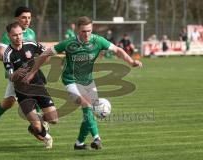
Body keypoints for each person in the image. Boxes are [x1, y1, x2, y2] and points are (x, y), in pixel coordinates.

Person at [23, 16, 143, 150]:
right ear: (77, 31)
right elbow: (45, 54)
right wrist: (32, 72)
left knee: (90, 112)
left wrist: (131, 62)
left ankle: (79, 143)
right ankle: (97, 138)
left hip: (88, 81)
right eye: (83, 31)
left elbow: (118, 50)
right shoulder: (69, 43)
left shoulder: (98, 41)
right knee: (86, 104)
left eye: (89, 31)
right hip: (70, 81)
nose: (86, 34)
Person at [0, 6, 39, 144]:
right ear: (17, 18)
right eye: (24, 17)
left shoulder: (31, 33)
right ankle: (37, 127)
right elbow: (0, 54)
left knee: (8, 102)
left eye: (29, 17)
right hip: (16, 75)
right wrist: (15, 62)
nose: (27, 20)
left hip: (28, 74)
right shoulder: (9, 35)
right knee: (34, 95)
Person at [3, 22, 58, 148]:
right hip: (23, 92)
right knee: (37, 128)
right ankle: (46, 136)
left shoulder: (31, 44)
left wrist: (40, 61)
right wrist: (16, 73)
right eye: (15, 35)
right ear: (9, 36)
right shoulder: (8, 54)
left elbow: (46, 54)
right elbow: (10, 76)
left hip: (38, 86)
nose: (18, 37)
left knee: (54, 119)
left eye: (20, 34)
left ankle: (38, 120)